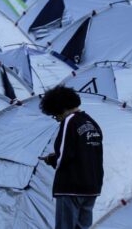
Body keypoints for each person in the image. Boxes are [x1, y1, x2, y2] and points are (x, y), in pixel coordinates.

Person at [39, 85, 103, 229]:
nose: (56, 119)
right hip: (92, 186)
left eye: (55, 115)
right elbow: (85, 151)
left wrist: (51, 159)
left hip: (71, 187)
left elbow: (64, 156)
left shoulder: (69, 121)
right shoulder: (90, 121)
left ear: (60, 108)